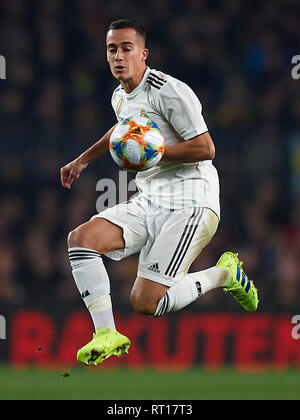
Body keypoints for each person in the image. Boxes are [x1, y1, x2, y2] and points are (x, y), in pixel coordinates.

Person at [60, 19, 258, 366]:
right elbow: (120, 131)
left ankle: (224, 274)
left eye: (126, 48)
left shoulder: (168, 90)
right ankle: (106, 333)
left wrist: (155, 151)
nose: (118, 56)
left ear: (143, 54)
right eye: (112, 49)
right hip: (149, 198)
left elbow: (206, 147)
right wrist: (83, 159)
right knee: (81, 239)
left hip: (191, 201)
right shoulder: (119, 96)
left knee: (145, 303)